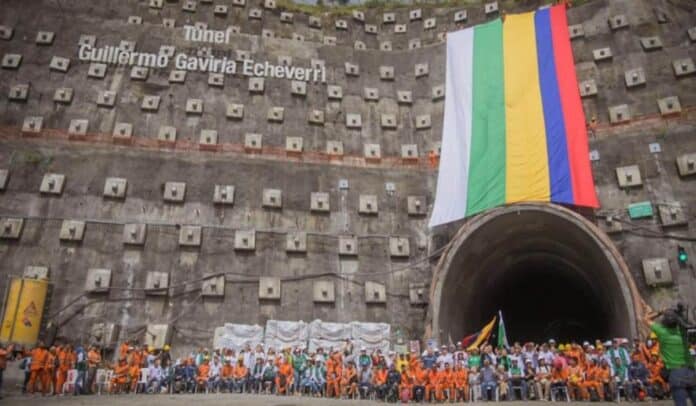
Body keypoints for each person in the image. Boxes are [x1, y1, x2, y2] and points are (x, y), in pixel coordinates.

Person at [646, 306, 696, 406]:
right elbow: (689, 325)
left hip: (675, 373)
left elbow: (646, 318)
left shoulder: (662, 332)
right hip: (691, 371)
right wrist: (680, 315)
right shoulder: (683, 332)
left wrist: (661, 311)